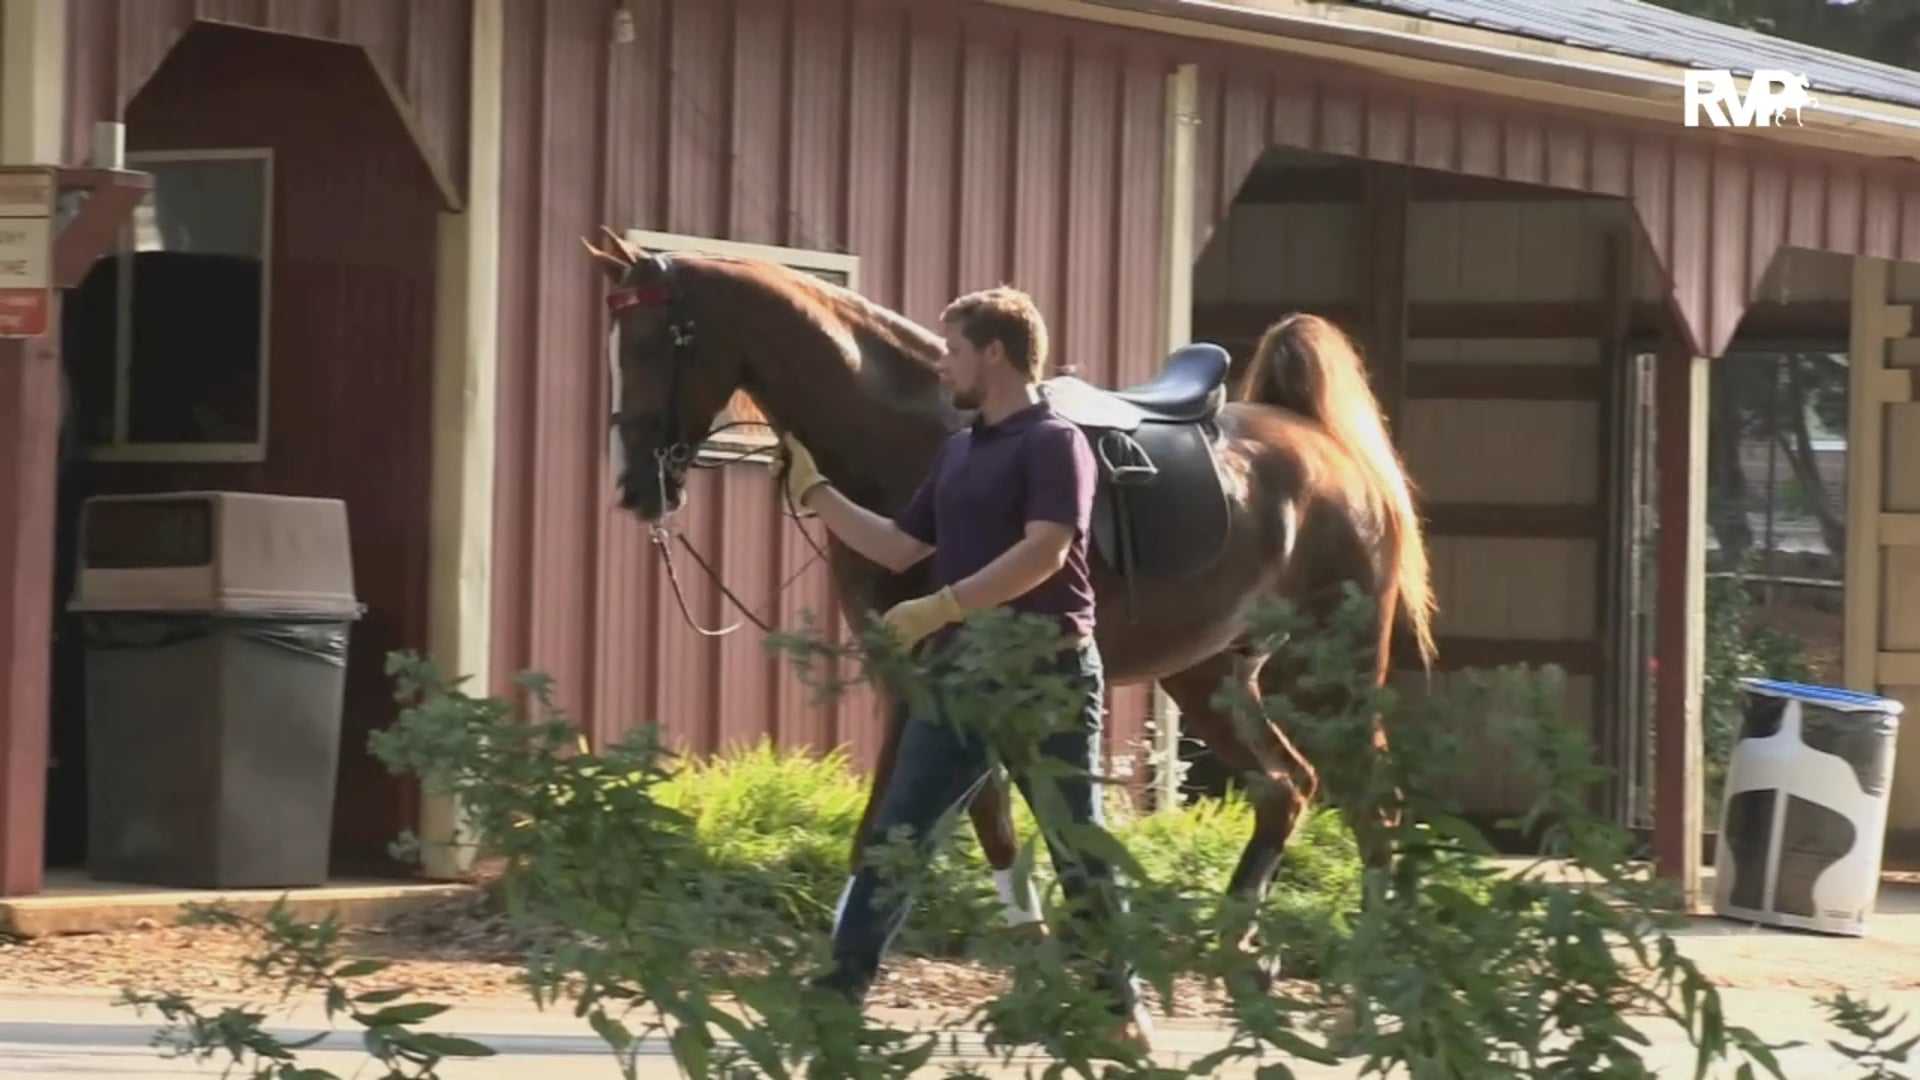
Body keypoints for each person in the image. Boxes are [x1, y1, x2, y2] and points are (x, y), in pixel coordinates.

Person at [778, 285, 1148, 1049]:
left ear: (995, 354)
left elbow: (1044, 551)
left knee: (1078, 844)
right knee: (897, 833)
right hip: (960, 678)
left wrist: (941, 608)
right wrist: (817, 492)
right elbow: (899, 546)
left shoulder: (1055, 443)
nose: (942, 366)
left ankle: (1119, 1012)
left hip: (1046, 673)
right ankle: (839, 999)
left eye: (952, 350)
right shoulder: (960, 450)